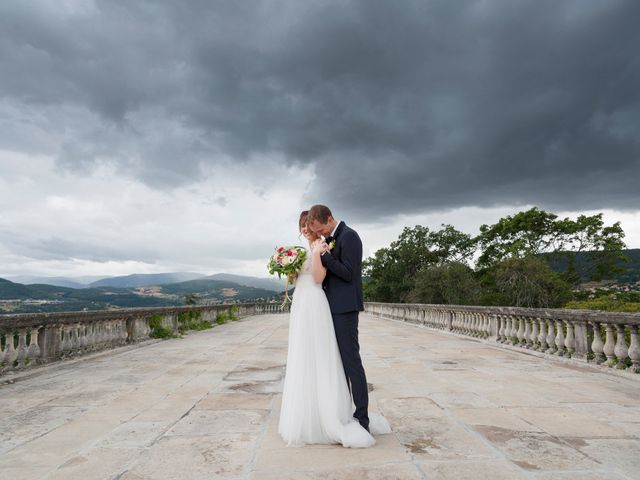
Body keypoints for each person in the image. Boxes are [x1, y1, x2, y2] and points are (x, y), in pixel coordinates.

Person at [278, 209, 390, 448]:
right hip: (324, 308)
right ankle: (328, 411)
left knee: (351, 361)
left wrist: (322, 255)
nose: (316, 233)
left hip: (344, 307)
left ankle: (362, 419)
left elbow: (348, 273)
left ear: (328, 220)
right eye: (309, 229)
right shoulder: (325, 241)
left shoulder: (349, 236)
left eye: (318, 229)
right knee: (330, 361)